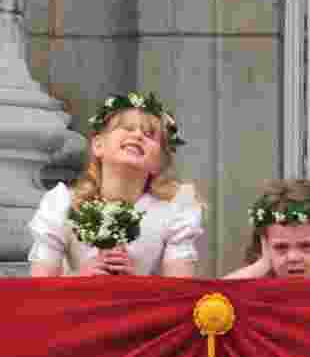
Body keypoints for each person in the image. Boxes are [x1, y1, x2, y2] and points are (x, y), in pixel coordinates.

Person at [27, 92, 203, 277]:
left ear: (159, 162)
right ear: (98, 145)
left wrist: (137, 283)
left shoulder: (174, 209)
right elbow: (40, 287)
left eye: (150, 134)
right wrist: (79, 278)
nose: (137, 135)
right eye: (127, 128)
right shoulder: (62, 203)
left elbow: (179, 290)